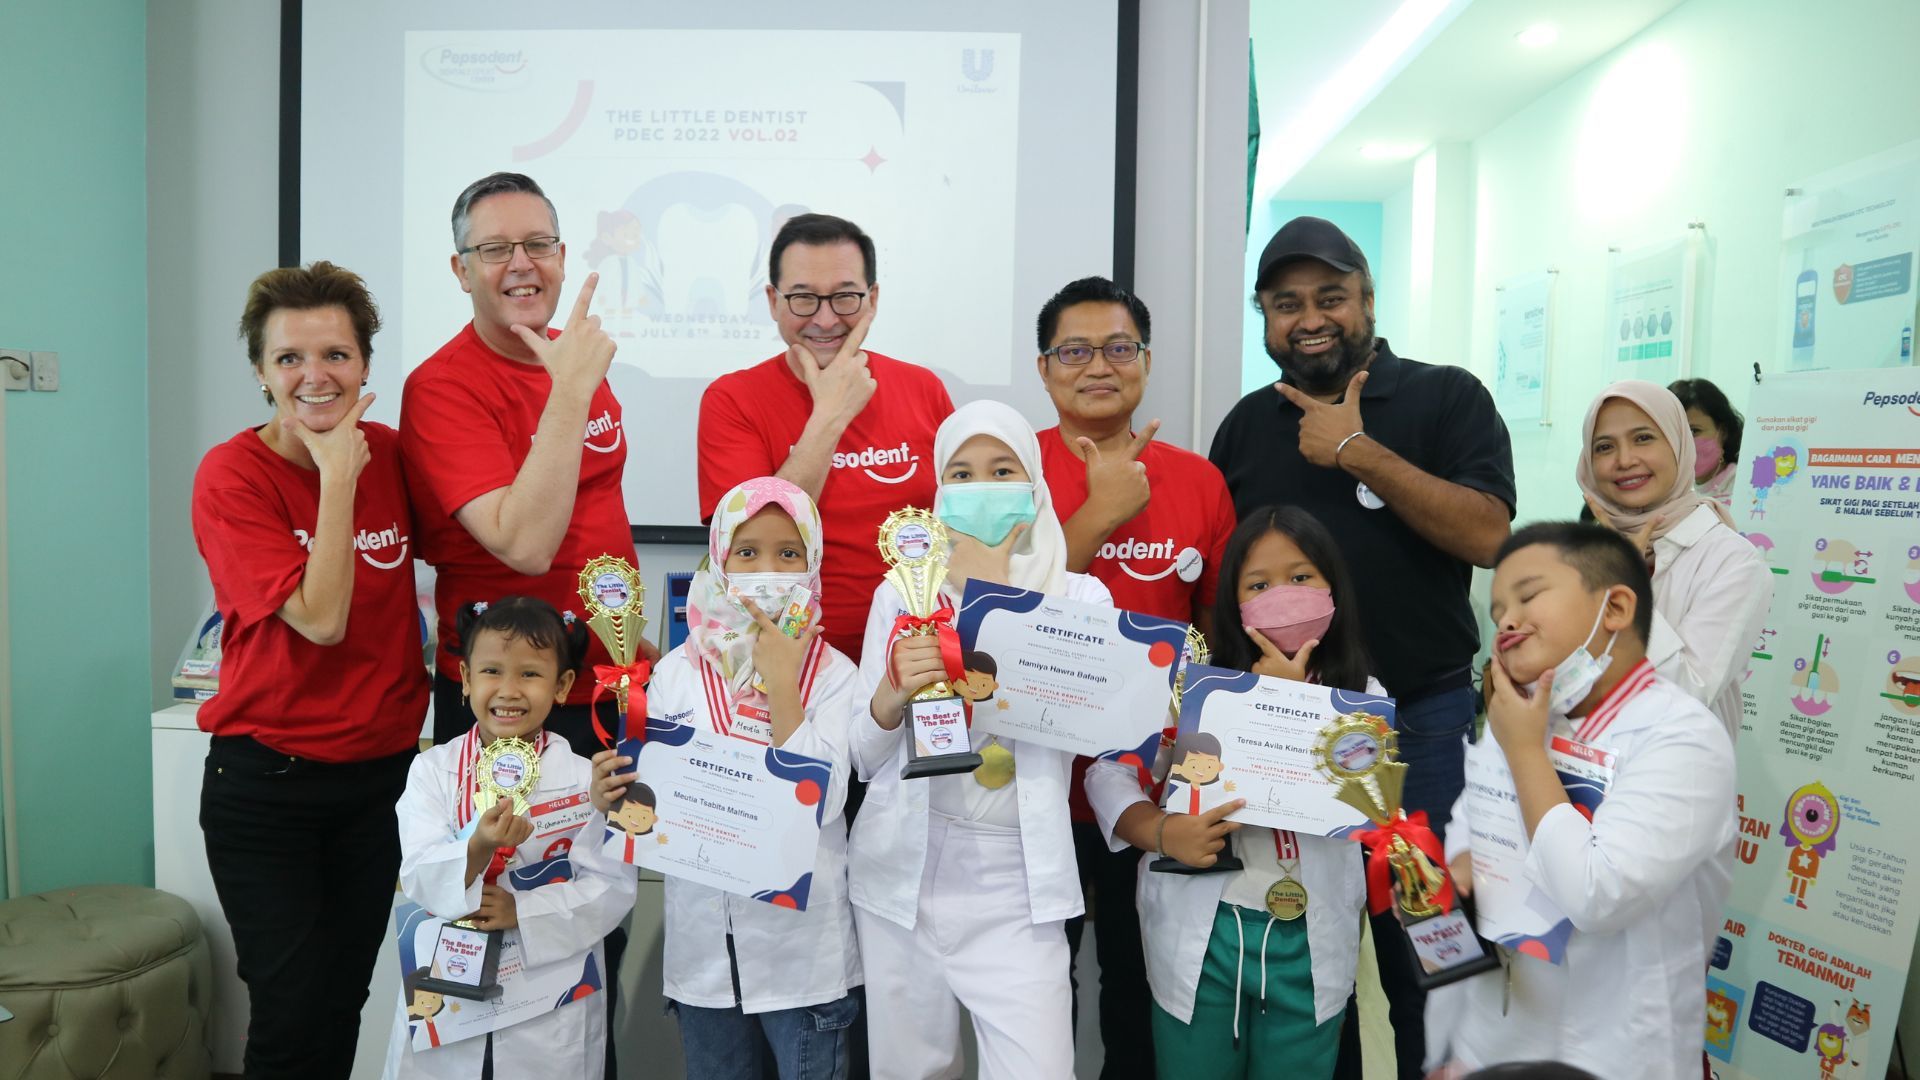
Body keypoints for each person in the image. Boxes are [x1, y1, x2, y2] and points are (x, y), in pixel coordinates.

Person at [1209, 215, 1515, 1077]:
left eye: (1331, 298)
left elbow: (1490, 534)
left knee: (1435, 956)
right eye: (1286, 303)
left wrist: (1357, 452)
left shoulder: (1444, 398)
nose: (1310, 318)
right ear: (1264, 318)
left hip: (1421, 727)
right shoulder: (1243, 429)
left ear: (1368, 301)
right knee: (1311, 965)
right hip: (1288, 739)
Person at [191, 262, 428, 1079]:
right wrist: (335, 477)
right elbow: (321, 619)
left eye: (335, 354)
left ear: (366, 365)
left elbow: (485, 543)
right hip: (268, 788)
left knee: (340, 1003)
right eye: (289, 358)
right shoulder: (233, 476)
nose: (314, 375)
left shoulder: (396, 455)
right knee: (290, 1017)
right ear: (261, 371)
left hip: (380, 786)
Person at [848, 400, 1110, 1078]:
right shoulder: (899, 596)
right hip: (904, 877)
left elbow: (1091, 728)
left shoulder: (1081, 600)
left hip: (1017, 886)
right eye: (961, 474)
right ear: (938, 492)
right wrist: (887, 698)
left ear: (1034, 488)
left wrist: (994, 600)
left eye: (1002, 470)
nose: (981, 487)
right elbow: (861, 756)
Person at [1429, 522, 1734, 1078]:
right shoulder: (1521, 715)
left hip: (1614, 1048)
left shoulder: (1682, 736)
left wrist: (1525, 752)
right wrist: (1466, 860)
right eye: (1498, 612)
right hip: (1497, 1032)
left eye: (1528, 596)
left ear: (1614, 607)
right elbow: (1470, 816)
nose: (1507, 622)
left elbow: (1597, 894)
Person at [588, 477, 866, 1078]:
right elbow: (652, 802)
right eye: (748, 552)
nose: (768, 569)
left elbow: (832, 798)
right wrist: (611, 793)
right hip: (706, 956)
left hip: (803, 958)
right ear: (717, 557)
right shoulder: (673, 673)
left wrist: (784, 684)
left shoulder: (837, 674)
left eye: (788, 554)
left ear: (813, 561)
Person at [1032, 275, 1239, 1077]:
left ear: (1146, 362)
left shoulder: (1199, 481)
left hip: (1153, 797)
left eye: (1119, 348)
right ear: (1045, 368)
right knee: (1039, 989)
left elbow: (1222, 640)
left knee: (1143, 987)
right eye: (1074, 351)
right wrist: (1102, 509)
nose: (1098, 366)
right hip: (1036, 786)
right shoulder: (1006, 475)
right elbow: (999, 632)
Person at [1087, 506, 1376, 1079]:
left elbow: (1367, 803)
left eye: (1301, 578)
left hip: (1309, 943)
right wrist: (1163, 832)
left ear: (1333, 588)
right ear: (1232, 600)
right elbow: (1108, 773)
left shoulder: (1361, 694)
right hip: (1205, 934)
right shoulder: (1193, 683)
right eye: (1259, 585)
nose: (1283, 597)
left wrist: (1297, 707)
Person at [399, 171, 643, 757]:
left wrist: (631, 641)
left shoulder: (574, 357)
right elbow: (526, 545)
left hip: (610, 685)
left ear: (560, 256)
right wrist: (569, 389)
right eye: (494, 250)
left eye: (538, 244)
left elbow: (596, 513)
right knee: (513, 852)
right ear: (461, 271)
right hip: (511, 699)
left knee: (615, 850)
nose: (522, 263)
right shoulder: (442, 387)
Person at [390, 597, 635, 1078]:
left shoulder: (587, 781)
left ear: (563, 686)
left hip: (545, 998)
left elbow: (613, 886)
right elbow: (418, 872)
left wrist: (521, 911)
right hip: (449, 985)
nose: (508, 690)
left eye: (529, 674)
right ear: (463, 679)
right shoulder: (433, 771)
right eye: (491, 671)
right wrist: (478, 845)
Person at [697, 213, 955, 664]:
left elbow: (960, 532)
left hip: (915, 657)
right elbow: (756, 534)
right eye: (802, 299)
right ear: (773, 301)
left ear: (872, 299)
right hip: (784, 666)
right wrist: (830, 416)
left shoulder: (923, 389)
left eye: (845, 297)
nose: (825, 318)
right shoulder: (731, 398)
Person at [1577, 380, 1772, 740]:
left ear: (1678, 444)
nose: (1624, 460)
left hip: (1675, 776)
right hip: (1576, 770)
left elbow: (1689, 693)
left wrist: (1625, 582)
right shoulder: (1577, 554)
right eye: (1604, 446)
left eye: (1643, 438)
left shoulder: (1733, 561)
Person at [1668, 377, 1743, 508]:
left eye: (1694, 431)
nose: (1684, 443)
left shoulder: (1747, 485)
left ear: (1723, 432)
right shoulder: (1669, 491)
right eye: (1674, 433)